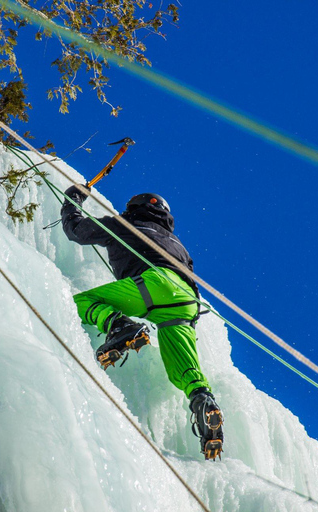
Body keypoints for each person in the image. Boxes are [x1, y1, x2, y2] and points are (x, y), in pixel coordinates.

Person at [61, 185, 224, 460]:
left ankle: (119, 324)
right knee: (183, 369)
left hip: (153, 284)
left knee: (73, 301)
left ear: (133, 209)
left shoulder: (125, 224)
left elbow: (76, 230)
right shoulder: (178, 246)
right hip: (186, 302)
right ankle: (202, 400)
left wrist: (72, 200)